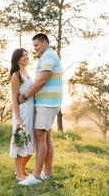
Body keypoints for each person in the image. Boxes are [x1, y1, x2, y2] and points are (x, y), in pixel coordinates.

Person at [18, 33, 63, 186]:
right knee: (46, 136)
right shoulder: (47, 56)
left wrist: (25, 96)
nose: (35, 48)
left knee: (39, 135)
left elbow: (42, 80)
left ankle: (36, 176)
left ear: (44, 42)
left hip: (47, 103)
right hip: (48, 102)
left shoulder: (48, 56)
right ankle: (47, 173)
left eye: (36, 45)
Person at [9, 48, 36, 182]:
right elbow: (14, 99)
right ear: (17, 59)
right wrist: (18, 118)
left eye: (27, 54)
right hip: (21, 112)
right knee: (19, 142)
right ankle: (20, 174)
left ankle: (21, 169)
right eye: (23, 55)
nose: (26, 57)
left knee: (30, 142)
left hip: (30, 111)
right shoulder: (16, 75)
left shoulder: (27, 73)